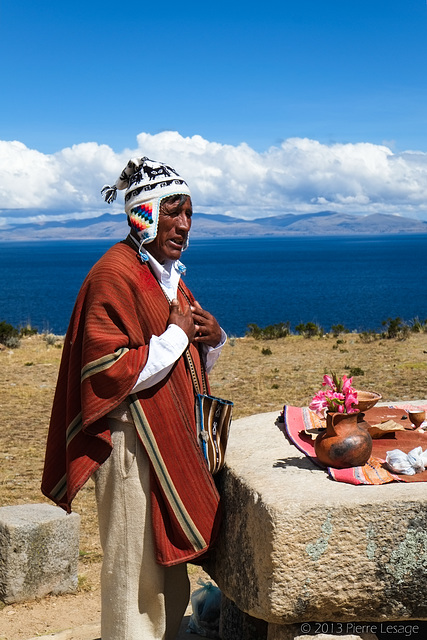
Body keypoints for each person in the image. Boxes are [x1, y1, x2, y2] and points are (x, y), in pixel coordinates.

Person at [41, 156, 226, 640]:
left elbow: (180, 364)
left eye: (189, 214)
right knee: (131, 569)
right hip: (129, 444)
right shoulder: (114, 273)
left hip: (165, 438)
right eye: (174, 212)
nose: (185, 225)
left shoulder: (167, 274)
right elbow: (108, 371)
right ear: (142, 213)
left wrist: (211, 339)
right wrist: (176, 338)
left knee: (164, 569)